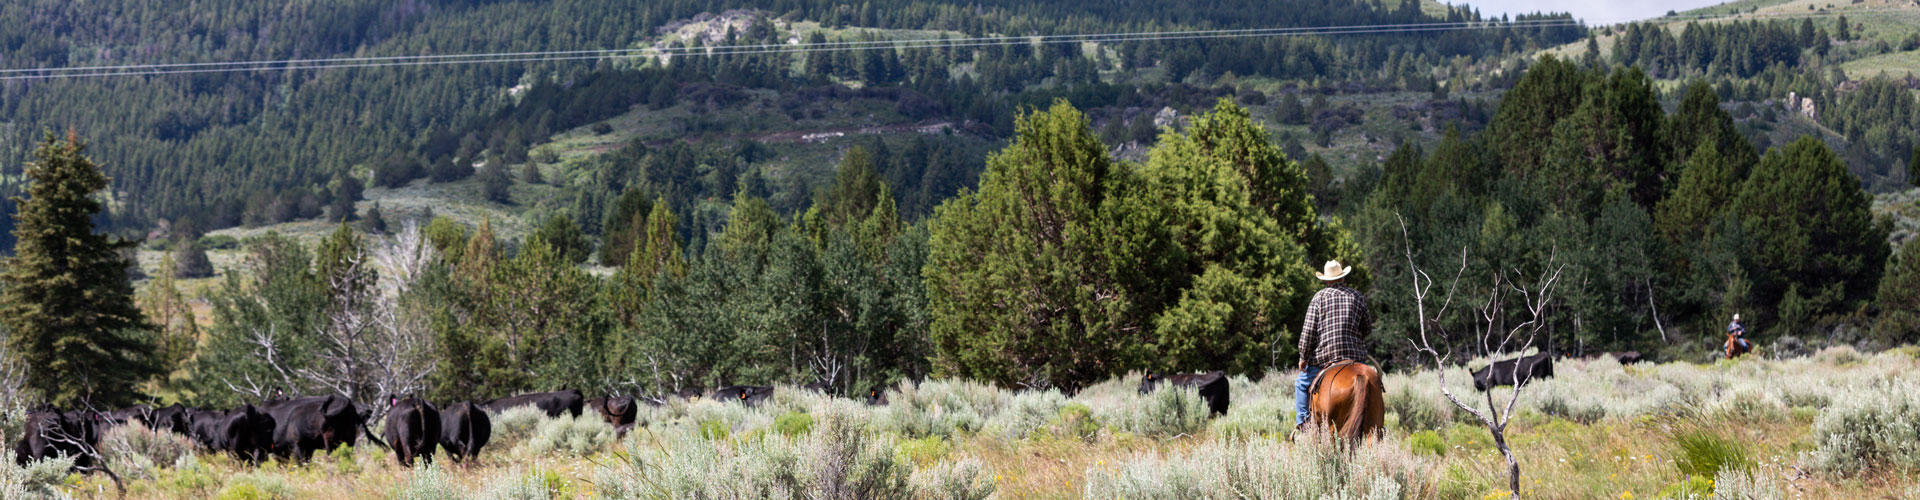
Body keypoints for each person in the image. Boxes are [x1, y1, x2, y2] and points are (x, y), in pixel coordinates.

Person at [1295, 260, 1372, 430]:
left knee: (1300, 384)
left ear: (1326, 280)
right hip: (1355, 357)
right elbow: (1367, 327)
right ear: (1343, 278)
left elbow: (1307, 333)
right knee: (1374, 382)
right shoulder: (1357, 296)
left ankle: (1303, 425)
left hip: (1324, 358)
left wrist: (1303, 357)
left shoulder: (1319, 298)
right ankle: (1377, 427)